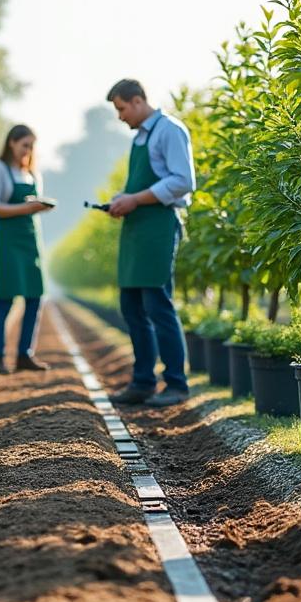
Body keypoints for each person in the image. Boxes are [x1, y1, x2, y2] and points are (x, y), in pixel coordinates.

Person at [104, 79, 196, 406]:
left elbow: (183, 181)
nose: (120, 116)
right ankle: (142, 381)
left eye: (121, 108)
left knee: (158, 304)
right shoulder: (142, 136)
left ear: (139, 101)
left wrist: (136, 200)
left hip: (158, 226)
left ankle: (176, 384)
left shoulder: (169, 130)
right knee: (131, 306)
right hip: (137, 229)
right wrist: (122, 200)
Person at [0, 124, 52, 374]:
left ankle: (25, 354)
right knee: (5, 298)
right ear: (11, 143)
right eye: (25, 145)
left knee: (35, 296)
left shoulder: (33, 173)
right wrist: (26, 209)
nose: (28, 150)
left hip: (30, 239)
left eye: (32, 146)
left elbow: (34, 204)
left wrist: (38, 207)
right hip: (8, 241)